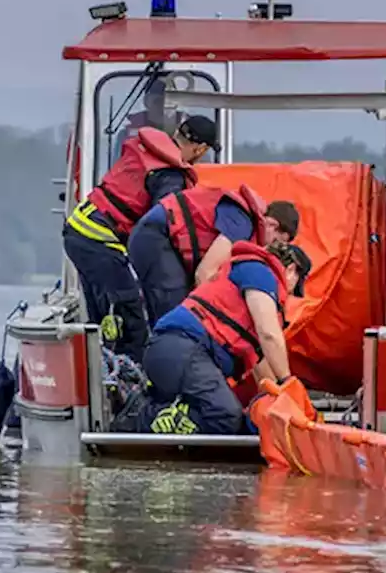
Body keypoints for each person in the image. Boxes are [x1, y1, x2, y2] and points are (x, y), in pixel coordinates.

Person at [115, 241, 309, 436]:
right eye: (293, 289)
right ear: (291, 270)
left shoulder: (247, 280)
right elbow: (269, 334)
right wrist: (288, 383)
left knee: (233, 419)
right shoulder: (260, 273)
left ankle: (156, 407)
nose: (288, 296)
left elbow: (262, 366)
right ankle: (139, 416)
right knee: (224, 415)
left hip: (177, 354)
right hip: (182, 348)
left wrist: (281, 400)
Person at [62, 115, 218, 358]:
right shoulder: (170, 176)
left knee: (101, 313)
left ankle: (100, 363)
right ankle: (129, 376)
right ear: (199, 149)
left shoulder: (142, 149)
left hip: (78, 228)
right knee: (130, 312)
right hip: (99, 238)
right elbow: (160, 228)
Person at [128, 184, 301, 322]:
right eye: (278, 241)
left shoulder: (247, 227)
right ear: (272, 224)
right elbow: (205, 273)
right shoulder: (242, 223)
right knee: (173, 312)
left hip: (160, 238)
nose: (271, 249)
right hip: (156, 235)